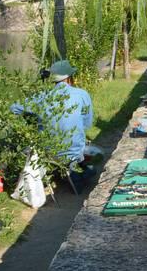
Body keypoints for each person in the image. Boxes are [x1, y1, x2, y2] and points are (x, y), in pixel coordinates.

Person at [13, 60, 94, 189]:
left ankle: (62, 174)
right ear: (68, 78)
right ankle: (77, 174)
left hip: (47, 153)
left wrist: (30, 120)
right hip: (74, 152)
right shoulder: (82, 95)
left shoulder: (41, 97)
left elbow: (13, 108)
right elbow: (87, 124)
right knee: (89, 152)